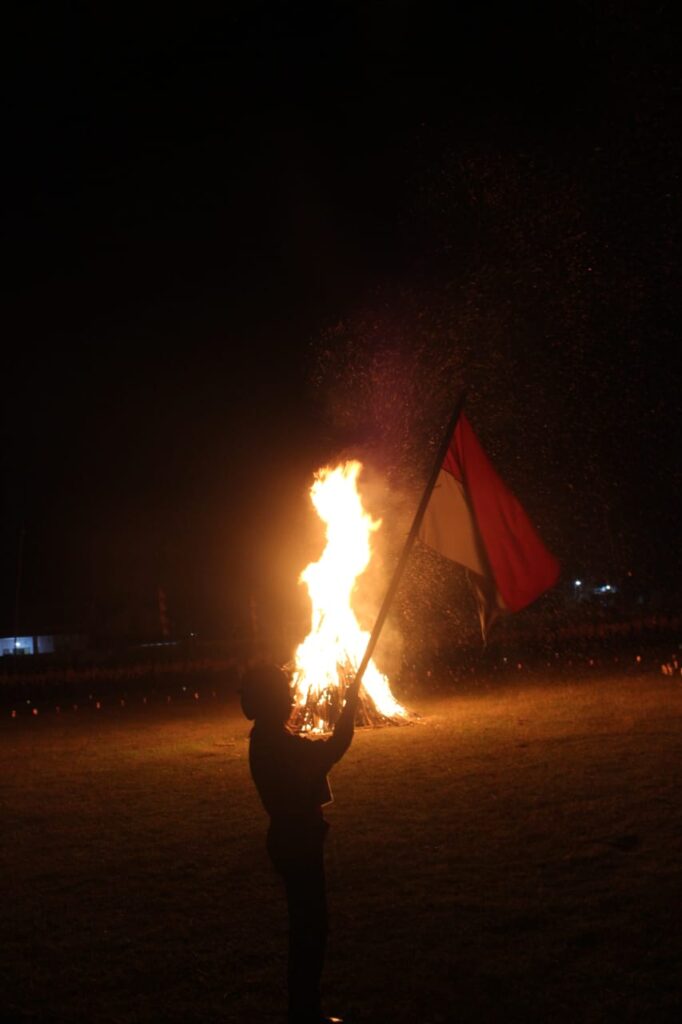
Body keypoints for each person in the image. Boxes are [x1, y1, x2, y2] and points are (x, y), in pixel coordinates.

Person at [240, 664, 360, 1024]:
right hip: (297, 844)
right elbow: (333, 749)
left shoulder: (264, 739)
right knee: (311, 929)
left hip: (288, 840)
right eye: (283, 692)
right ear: (271, 700)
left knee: (306, 927)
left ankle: (304, 1009)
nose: (291, 696)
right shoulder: (277, 746)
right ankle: (305, 1013)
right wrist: (349, 706)